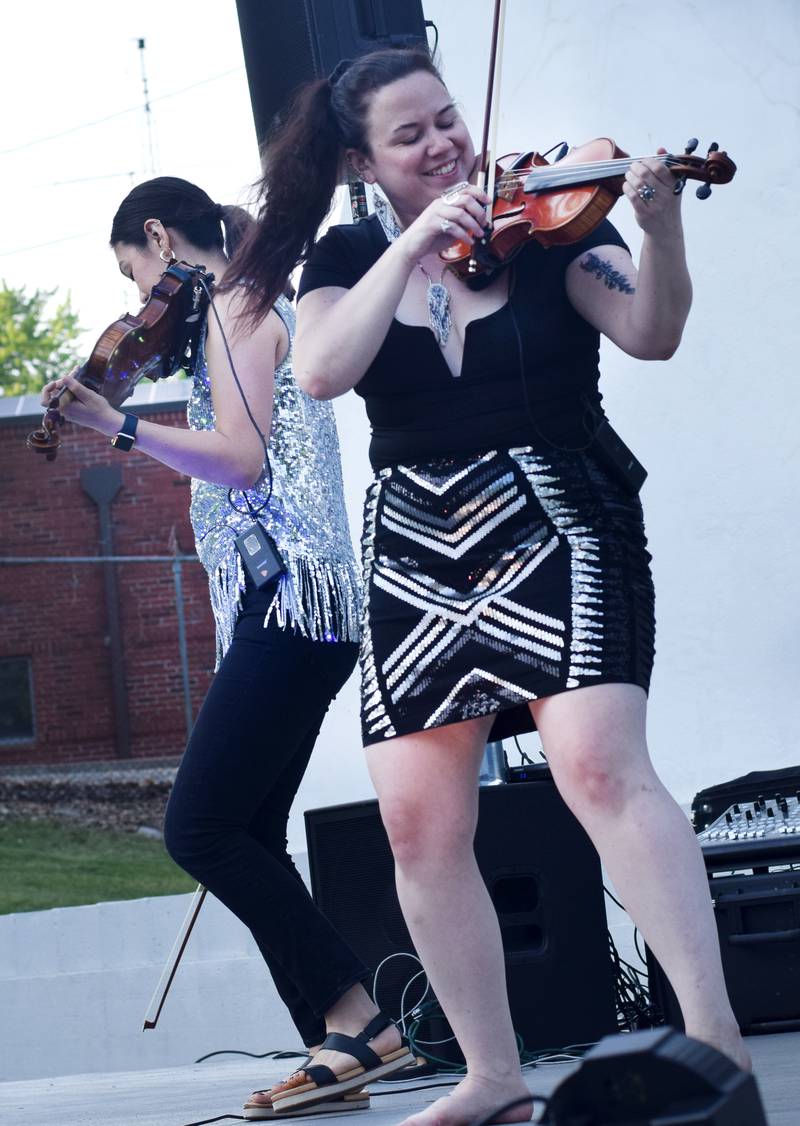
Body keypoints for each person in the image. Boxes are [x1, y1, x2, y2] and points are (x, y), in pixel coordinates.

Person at [222, 47, 751, 1126]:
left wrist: (655, 224)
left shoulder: (555, 223)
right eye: (409, 133)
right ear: (366, 161)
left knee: (597, 765)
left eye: (446, 118)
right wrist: (415, 238)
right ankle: (492, 1074)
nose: (443, 142)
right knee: (417, 822)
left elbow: (650, 331)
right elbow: (320, 370)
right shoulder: (348, 255)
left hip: (559, 507)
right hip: (417, 538)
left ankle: (712, 1043)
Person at [39, 176, 414, 1120]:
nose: (138, 305)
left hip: (295, 600)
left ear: (160, 237)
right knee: (245, 831)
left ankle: (363, 1021)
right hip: (290, 607)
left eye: (135, 273)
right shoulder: (236, 305)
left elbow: (240, 458)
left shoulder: (240, 305)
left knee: (197, 828)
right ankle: (337, 1042)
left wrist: (115, 423)